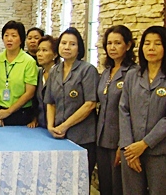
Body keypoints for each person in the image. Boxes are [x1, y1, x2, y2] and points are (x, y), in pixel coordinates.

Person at [44, 27, 98, 183]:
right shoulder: (54, 71)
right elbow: (50, 102)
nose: (67, 47)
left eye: (72, 44)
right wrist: (50, 126)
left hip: (82, 137)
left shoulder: (87, 70)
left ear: (79, 48)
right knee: (59, 181)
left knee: (79, 183)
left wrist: (64, 126)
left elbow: (90, 104)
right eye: (64, 43)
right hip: (58, 136)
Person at [119, 26, 166, 195]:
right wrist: (127, 147)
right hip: (131, 151)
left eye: (157, 44)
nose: (151, 48)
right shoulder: (133, 75)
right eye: (147, 43)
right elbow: (123, 109)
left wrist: (144, 144)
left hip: (159, 152)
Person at [96, 25, 136, 195]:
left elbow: (133, 112)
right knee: (105, 185)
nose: (112, 47)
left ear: (128, 45)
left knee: (118, 187)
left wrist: (124, 144)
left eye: (117, 43)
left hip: (121, 140)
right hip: (101, 138)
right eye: (109, 43)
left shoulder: (133, 73)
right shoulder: (106, 72)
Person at [0, 21, 38, 126]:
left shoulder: (29, 62)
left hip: (21, 113)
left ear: (21, 39)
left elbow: (29, 93)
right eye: (6, 35)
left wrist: (8, 111)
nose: (9, 39)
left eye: (14, 36)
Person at [27, 35, 59, 128]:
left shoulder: (60, 74)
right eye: (38, 50)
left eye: (44, 50)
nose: (39, 54)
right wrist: (35, 119)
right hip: (42, 125)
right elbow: (37, 101)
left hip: (58, 125)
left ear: (55, 54)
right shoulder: (39, 72)